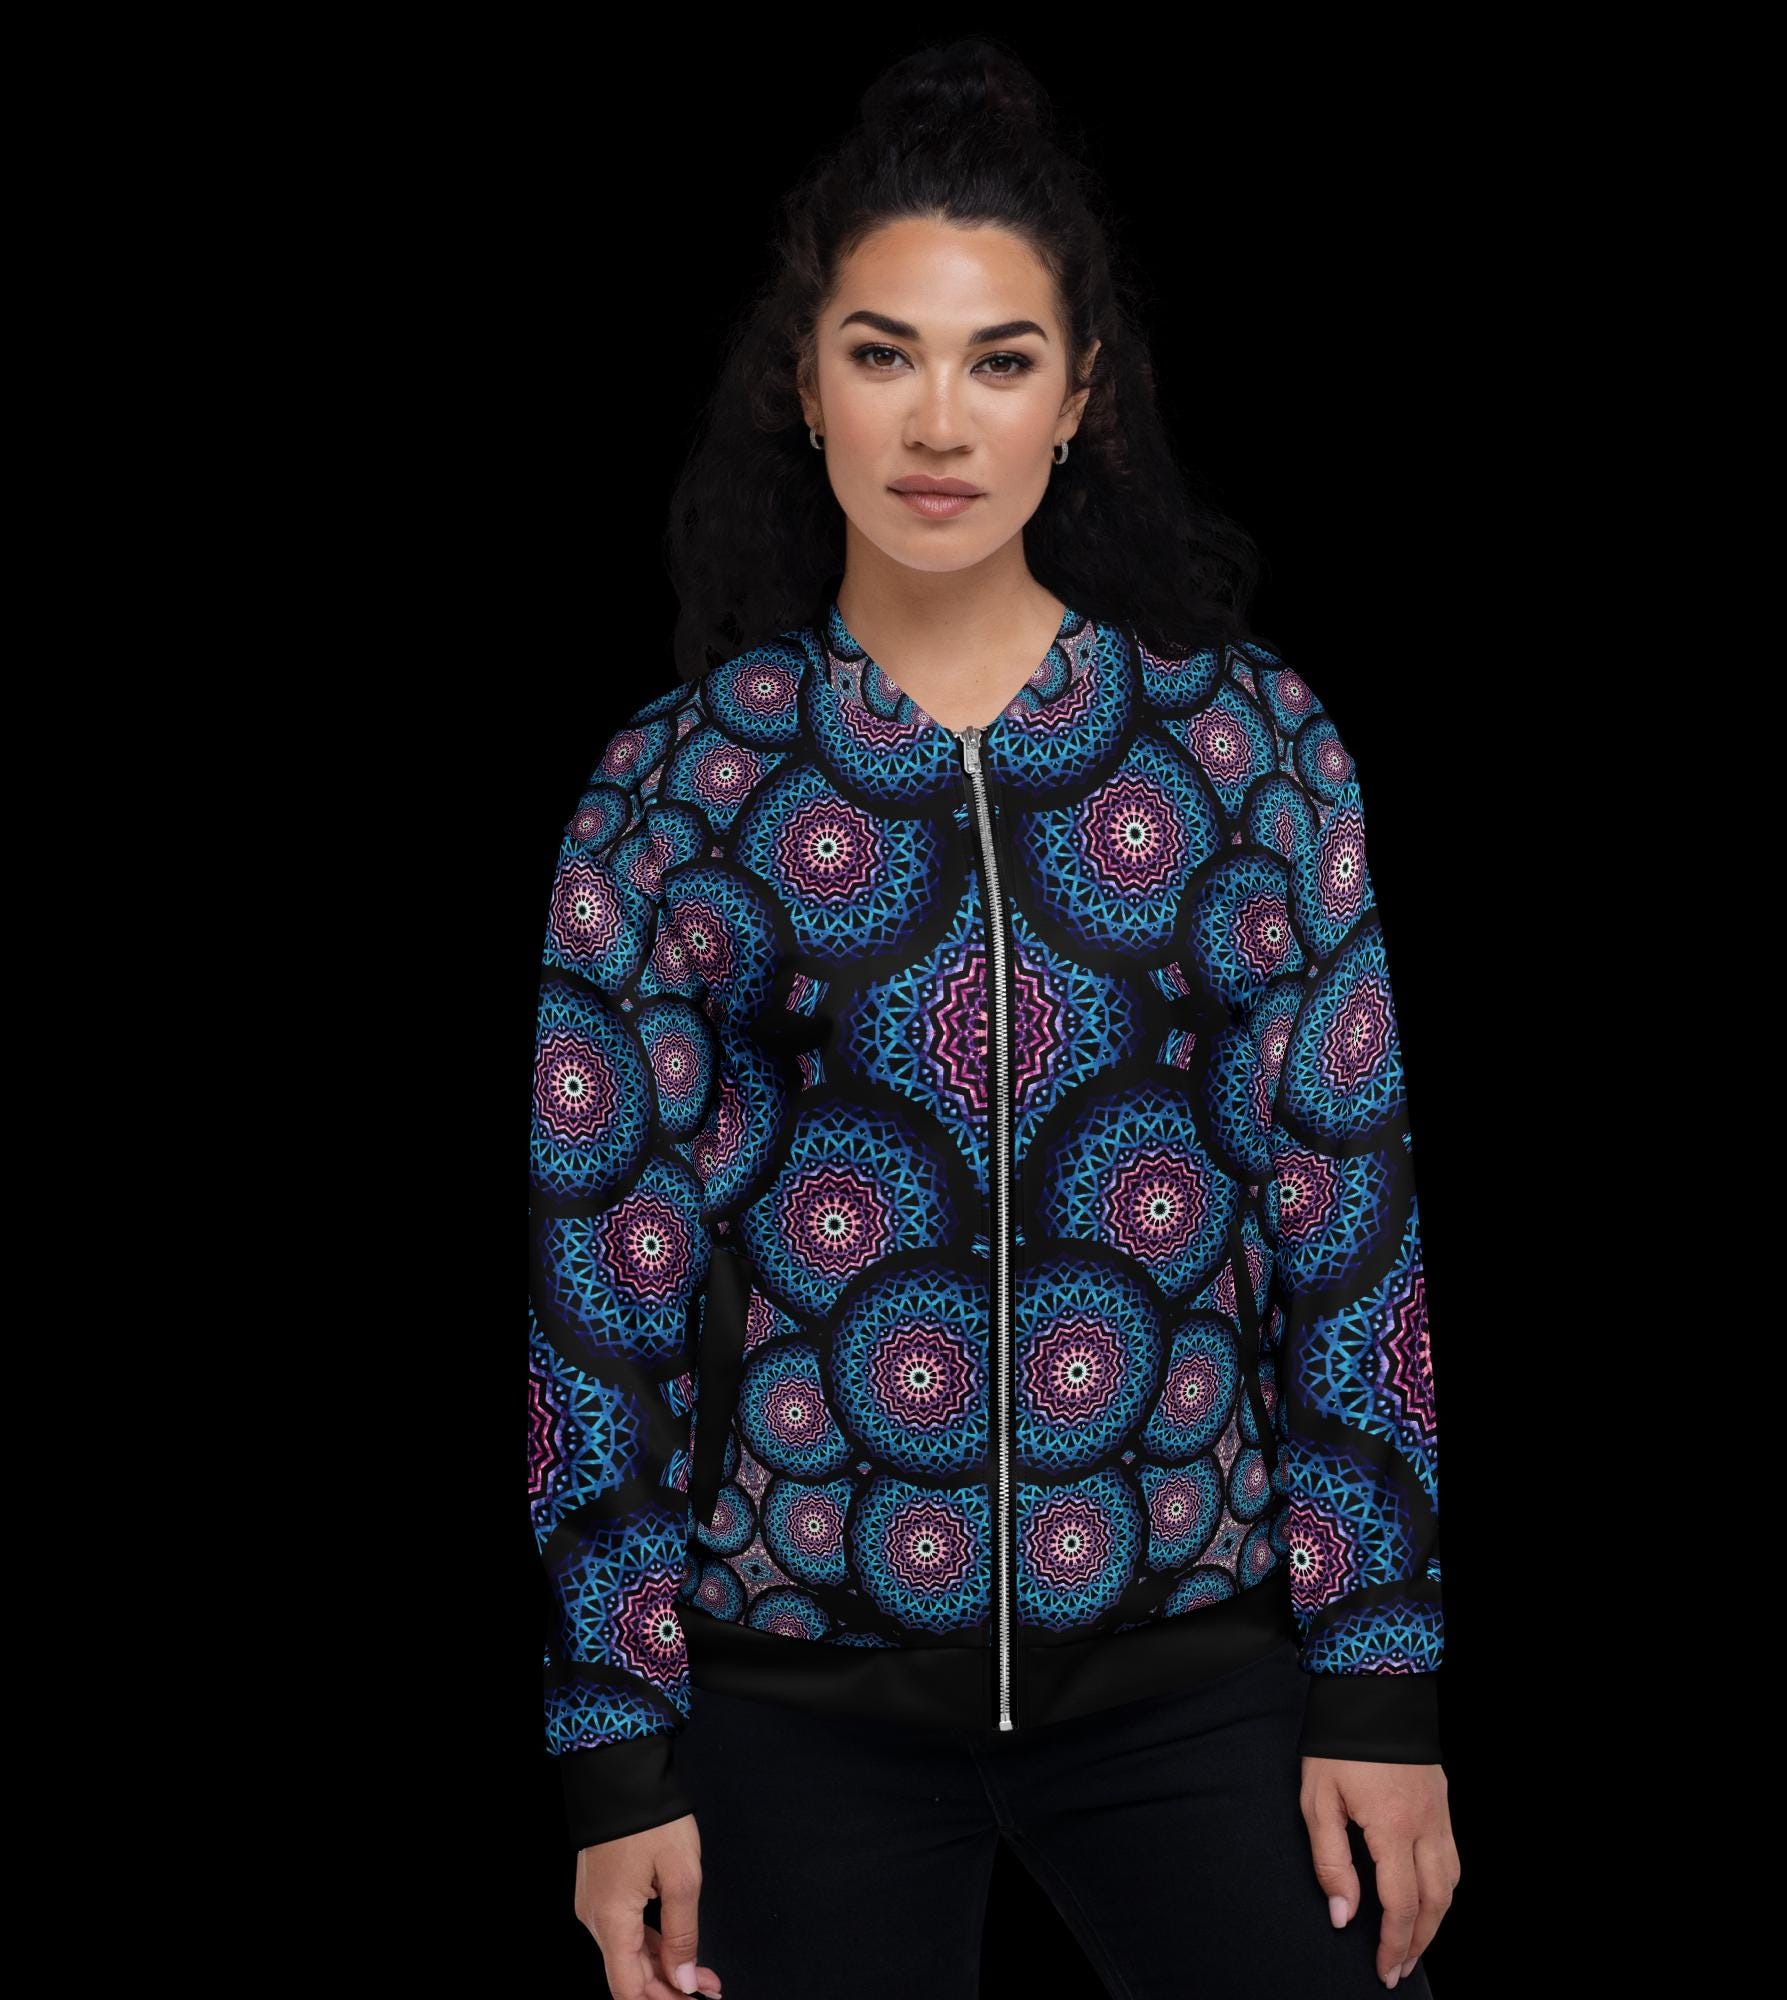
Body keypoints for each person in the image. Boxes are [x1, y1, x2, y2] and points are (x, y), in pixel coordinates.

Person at [527, 34, 1459, 1999]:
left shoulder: (1242, 750)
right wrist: (616, 1756)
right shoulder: (679, 790)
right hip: (797, 1693)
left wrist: (1381, 1683)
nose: (937, 420)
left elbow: (1347, 1229)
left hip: (1198, 1666)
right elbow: (602, 1284)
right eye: (882, 353)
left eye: (999, 359)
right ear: (804, 387)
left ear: (1080, 396)